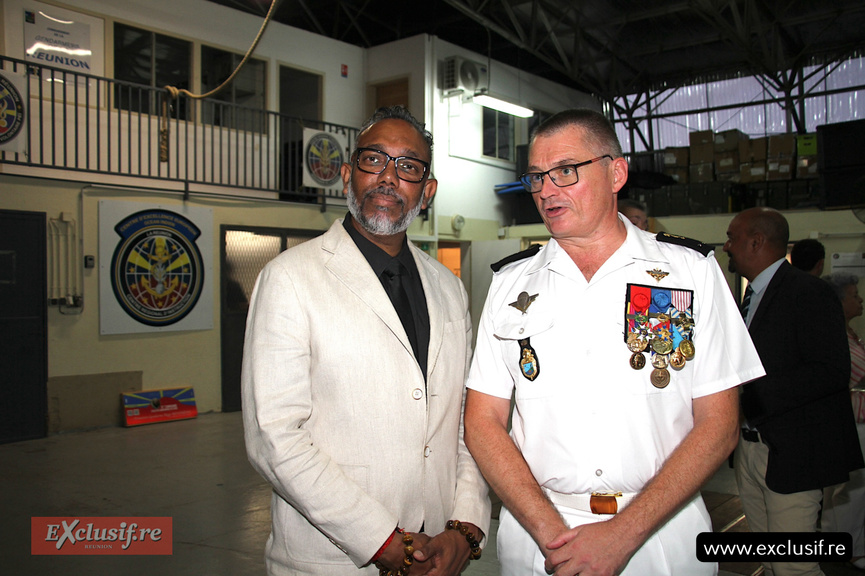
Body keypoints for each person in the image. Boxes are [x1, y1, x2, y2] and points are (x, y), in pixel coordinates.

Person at [463, 108, 764, 576]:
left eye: (565, 171)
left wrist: (622, 535)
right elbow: (482, 422)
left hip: (661, 532)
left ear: (616, 172)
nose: (546, 190)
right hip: (540, 536)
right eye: (537, 177)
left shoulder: (689, 272)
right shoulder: (511, 284)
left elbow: (719, 425)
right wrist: (550, 533)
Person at [242, 105, 490, 576]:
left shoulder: (449, 288)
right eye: (373, 160)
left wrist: (464, 528)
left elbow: (466, 422)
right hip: (332, 559)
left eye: (409, 167)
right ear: (346, 175)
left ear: (427, 190)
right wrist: (379, 539)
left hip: (437, 554)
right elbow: (274, 436)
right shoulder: (291, 279)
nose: (388, 178)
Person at [723, 207, 863, 576]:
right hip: (751, 448)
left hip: (793, 453)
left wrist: (747, 396)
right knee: (771, 560)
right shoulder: (750, 297)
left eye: (732, 238)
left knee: (793, 566)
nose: (726, 246)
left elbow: (830, 371)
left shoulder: (808, 292)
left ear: (757, 241)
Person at [821, 273, 865, 570]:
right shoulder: (833, 336)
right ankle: (846, 550)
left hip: (860, 419)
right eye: (854, 295)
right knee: (848, 494)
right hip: (850, 422)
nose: (859, 300)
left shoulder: (850, 334)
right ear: (839, 302)